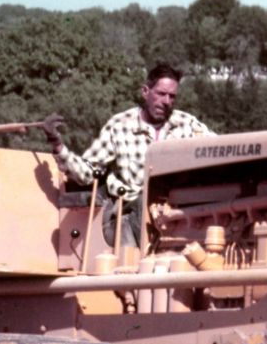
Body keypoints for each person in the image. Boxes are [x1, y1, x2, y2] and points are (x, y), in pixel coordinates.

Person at [46, 65, 211, 256]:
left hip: (177, 213)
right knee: (145, 200)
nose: (166, 101)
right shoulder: (120, 126)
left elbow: (218, 149)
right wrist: (57, 144)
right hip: (128, 216)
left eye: (172, 97)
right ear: (145, 92)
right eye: (161, 94)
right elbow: (88, 171)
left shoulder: (187, 123)